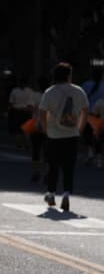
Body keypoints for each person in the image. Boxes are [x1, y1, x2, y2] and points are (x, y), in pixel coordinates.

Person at [38, 62, 89, 212]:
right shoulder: (78, 91)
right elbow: (85, 111)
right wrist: (80, 128)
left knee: (53, 165)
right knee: (69, 166)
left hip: (54, 135)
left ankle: (51, 193)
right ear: (68, 75)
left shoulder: (49, 92)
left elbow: (42, 112)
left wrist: (46, 129)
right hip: (72, 135)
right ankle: (66, 194)